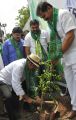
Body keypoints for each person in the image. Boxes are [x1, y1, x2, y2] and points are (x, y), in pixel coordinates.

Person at [36, 1, 76, 119]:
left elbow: (70, 36)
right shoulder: (51, 24)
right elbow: (55, 43)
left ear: (49, 8)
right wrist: (53, 58)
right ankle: (75, 107)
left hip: (74, 53)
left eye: (44, 16)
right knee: (70, 83)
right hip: (65, 56)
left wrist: (57, 55)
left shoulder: (63, 14)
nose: (44, 19)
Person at [0, 53, 41, 120]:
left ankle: (20, 111)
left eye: (35, 66)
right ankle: (11, 117)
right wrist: (27, 98)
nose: (34, 67)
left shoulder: (31, 69)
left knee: (17, 97)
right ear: (29, 61)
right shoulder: (19, 66)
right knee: (8, 96)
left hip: (13, 82)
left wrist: (36, 95)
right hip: (3, 80)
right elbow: (16, 83)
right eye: (33, 65)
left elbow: (32, 82)